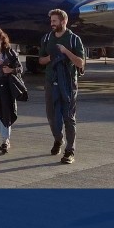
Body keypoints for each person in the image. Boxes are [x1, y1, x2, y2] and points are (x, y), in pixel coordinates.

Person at [38, 9, 85, 164]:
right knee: (52, 116)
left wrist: (66, 52)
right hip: (51, 81)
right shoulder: (47, 38)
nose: (52, 24)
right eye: (51, 21)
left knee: (69, 117)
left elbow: (80, 63)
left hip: (68, 83)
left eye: (55, 21)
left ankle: (70, 151)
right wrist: (51, 57)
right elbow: (40, 60)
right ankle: (58, 139)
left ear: (64, 21)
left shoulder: (74, 39)